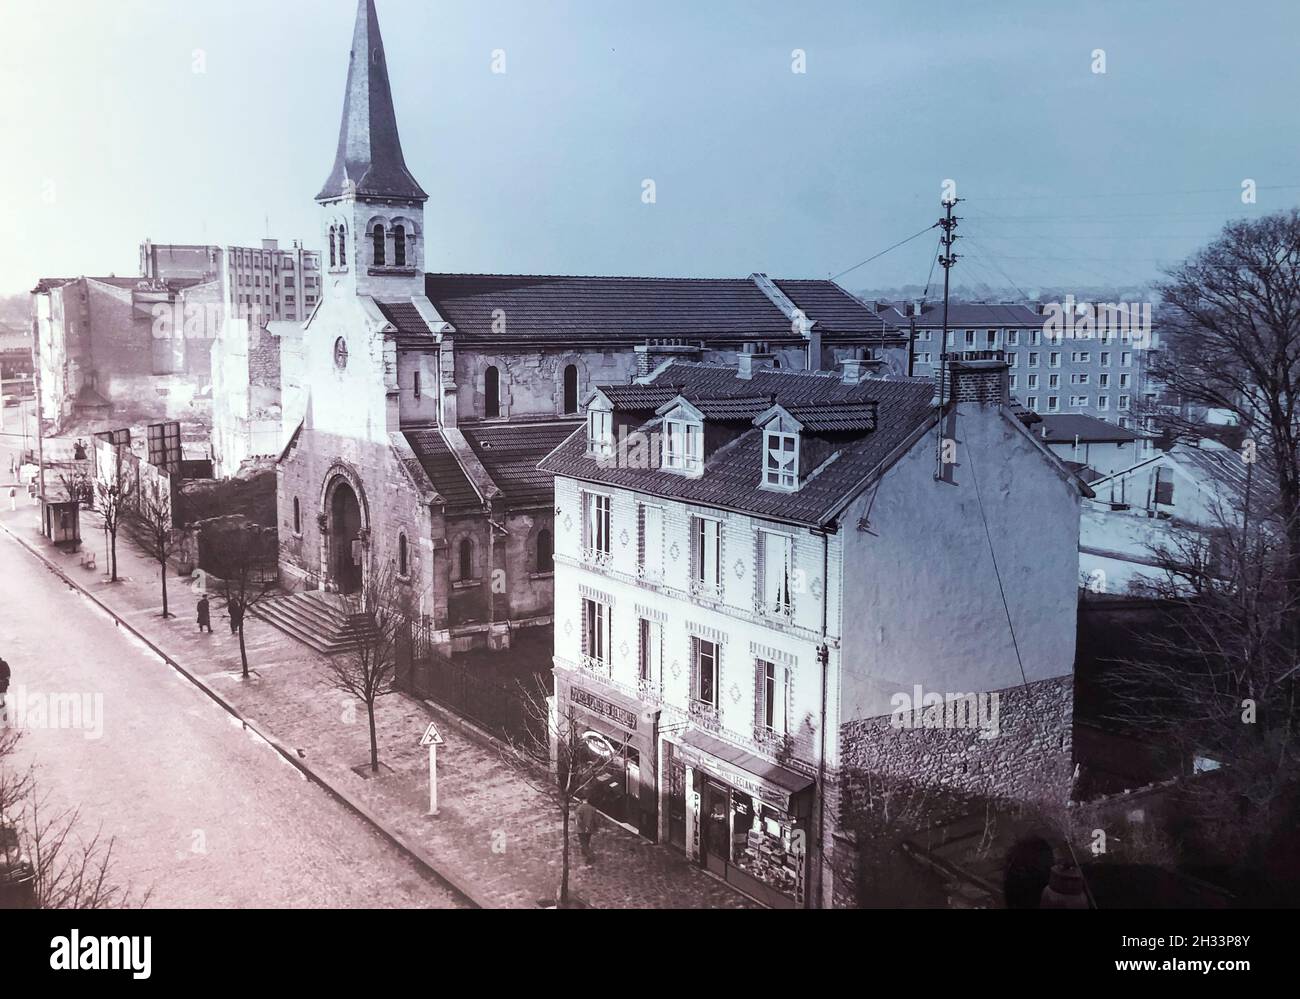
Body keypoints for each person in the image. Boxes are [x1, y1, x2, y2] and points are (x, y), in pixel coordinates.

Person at [575, 794, 598, 865]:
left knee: (583, 843)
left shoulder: (579, 808)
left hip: (581, 829)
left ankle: (590, 857)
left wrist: (584, 827)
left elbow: (579, 820)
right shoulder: (593, 808)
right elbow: (596, 820)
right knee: (587, 841)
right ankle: (584, 852)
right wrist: (595, 828)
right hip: (590, 829)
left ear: (581, 800)